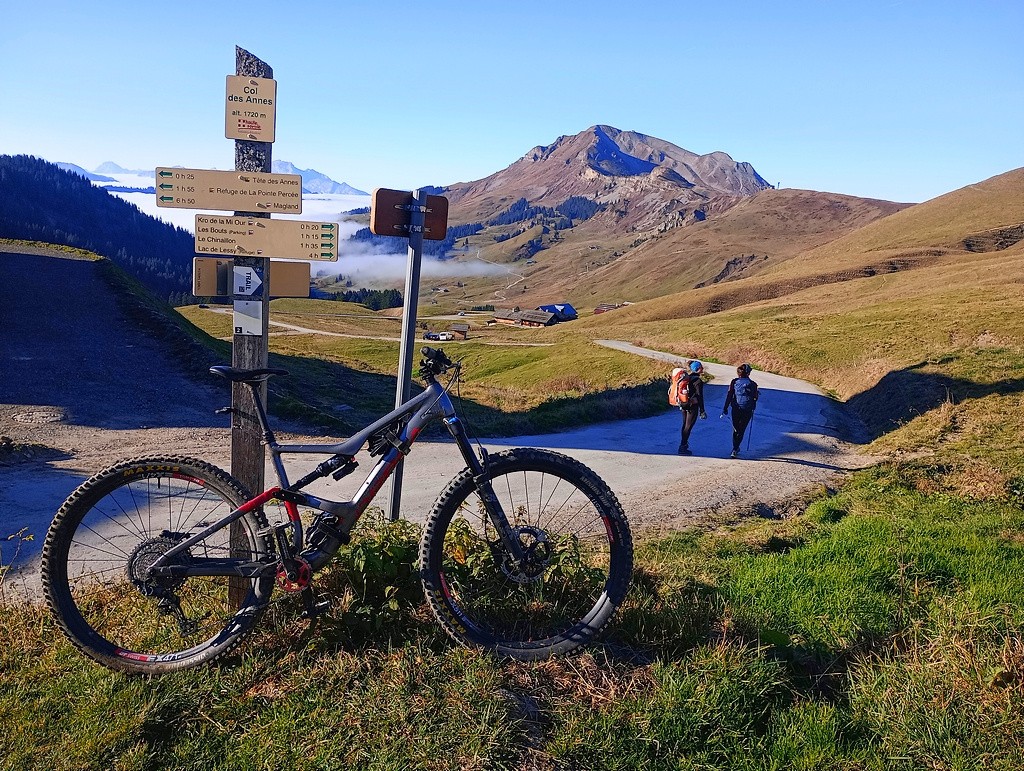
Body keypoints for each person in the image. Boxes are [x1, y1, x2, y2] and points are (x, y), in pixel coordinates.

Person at [722, 363, 759, 458]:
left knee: (736, 429)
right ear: (748, 373)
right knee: (742, 429)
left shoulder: (734, 382)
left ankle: (735, 447)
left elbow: (730, 395)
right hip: (747, 409)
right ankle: (735, 448)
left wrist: (725, 407)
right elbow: (755, 397)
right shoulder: (753, 384)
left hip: (736, 408)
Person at [677, 360, 706, 455]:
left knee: (685, 424)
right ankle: (682, 446)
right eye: (701, 367)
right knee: (688, 426)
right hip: (692, 405)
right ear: (698, 369)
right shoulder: (698, 381)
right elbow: (699, 396)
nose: (703, 369)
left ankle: (683, 444)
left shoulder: (687, 378)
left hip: (684, 403)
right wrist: (702, 410)